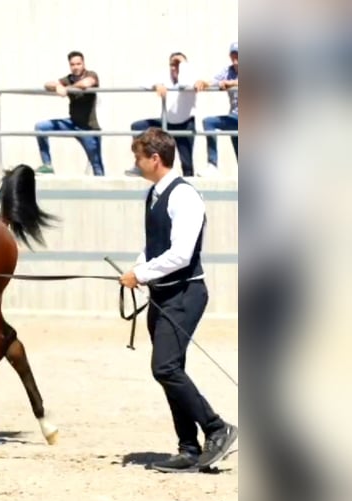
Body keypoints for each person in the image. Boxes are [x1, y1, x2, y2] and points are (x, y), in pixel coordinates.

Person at [119, 127, 237, 473]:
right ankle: (188, 447)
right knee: (172, 370)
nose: (136, 164)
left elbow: (181, 254)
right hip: (163, 294)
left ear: (155, 158)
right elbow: (156, 244)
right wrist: (139, 268)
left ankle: (217, 428)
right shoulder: (154, 195)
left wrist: (141, 274)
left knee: (165, 367)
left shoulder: (184, 196)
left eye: (138, 157)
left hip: (184, 294)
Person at [125, 52, 197, 177]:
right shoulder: (164, 76)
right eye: (172, 65)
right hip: (166, 122)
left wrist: (183, 65)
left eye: (178, 64)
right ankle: (139, 165)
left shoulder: (190, 76)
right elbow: (143, 82)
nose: (174, 67)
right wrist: (156, 85)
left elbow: (185, 83)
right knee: (138, 126)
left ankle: (187, 186)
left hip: (185, 123)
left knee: (187, 163)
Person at [34, 51, 105, 176]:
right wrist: (57, 86)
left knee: (97, 165)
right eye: (73, 64)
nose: (76, 67)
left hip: (89, 128)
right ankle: (47, 165)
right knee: (40, 127)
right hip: (72, 123)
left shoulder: (91, 74)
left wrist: (66, 89)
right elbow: (47, 84)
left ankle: (104, 192)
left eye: (78, 64)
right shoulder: (68, 79)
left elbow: (87, 83)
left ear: (83, 63)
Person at [194, 42, 239, 176]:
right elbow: (212, 81)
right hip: (234, 118)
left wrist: (231, 83)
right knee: (209, 122)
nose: (236, 59)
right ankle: (212, 165)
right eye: (233, 55)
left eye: (239, 55)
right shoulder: (228, 71)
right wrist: (201, 82)